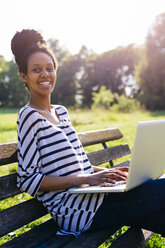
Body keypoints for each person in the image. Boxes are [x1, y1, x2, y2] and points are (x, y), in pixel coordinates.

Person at [11, 29, 165, 238]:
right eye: (36, 70)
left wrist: (107, 174)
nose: (45, 74)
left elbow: (75, 165)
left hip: (98, 199)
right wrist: (86, 179)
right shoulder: (28, 116)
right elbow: (28, 179)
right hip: (77, 212)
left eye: (49, 68)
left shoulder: (62, 112)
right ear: (24, 76)